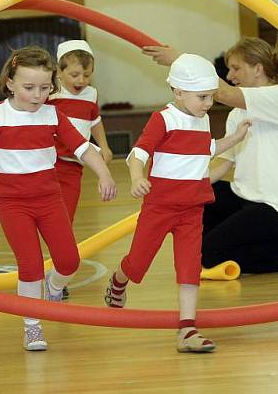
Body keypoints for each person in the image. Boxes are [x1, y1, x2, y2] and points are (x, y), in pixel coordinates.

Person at [0, 46, 116, 351]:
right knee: (30, 265)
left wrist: (105, 174)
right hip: (13, 203)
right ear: (11, 83)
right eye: (29, 87)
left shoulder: (53, 114)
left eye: (45, 88)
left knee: (69, 260)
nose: (37, 94)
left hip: (49, 198)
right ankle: (32, 325)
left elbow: (83, 147)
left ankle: (54, 288)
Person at [104, 54, 250, 353]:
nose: (208, 103)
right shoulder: (164, 119)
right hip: (159, 207)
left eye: (211, 97)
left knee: (189, 268)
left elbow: (205, 150)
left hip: (192, 211)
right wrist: (135, 178)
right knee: (138, 264)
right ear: (178, 91)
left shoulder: (203, 119)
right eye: (202, 97)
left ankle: (187, 330)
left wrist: (234, 138)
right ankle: (119, 280)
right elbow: (139, 153)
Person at [143, 38, 278, 274]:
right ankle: (265, 243)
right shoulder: (236, 115)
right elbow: (224, 163)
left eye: (236, 68)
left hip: (277, 206)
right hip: (245, 197)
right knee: (200, 205)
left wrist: (179, 60)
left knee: (210, 254)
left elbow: (221, 92)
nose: (231, 75)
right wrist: (180, 187)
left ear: (257, 69)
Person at [47, 40, 113, 222]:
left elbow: (95, 121)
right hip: (50, 162)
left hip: (75, 164)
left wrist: (104, 147)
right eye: (74, 75)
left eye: (87, 75)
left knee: (67, 214)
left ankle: (61, 244)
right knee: (47, 209)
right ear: (59, 72)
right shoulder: (51, 92)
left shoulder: (91, 94)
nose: (81, 80)